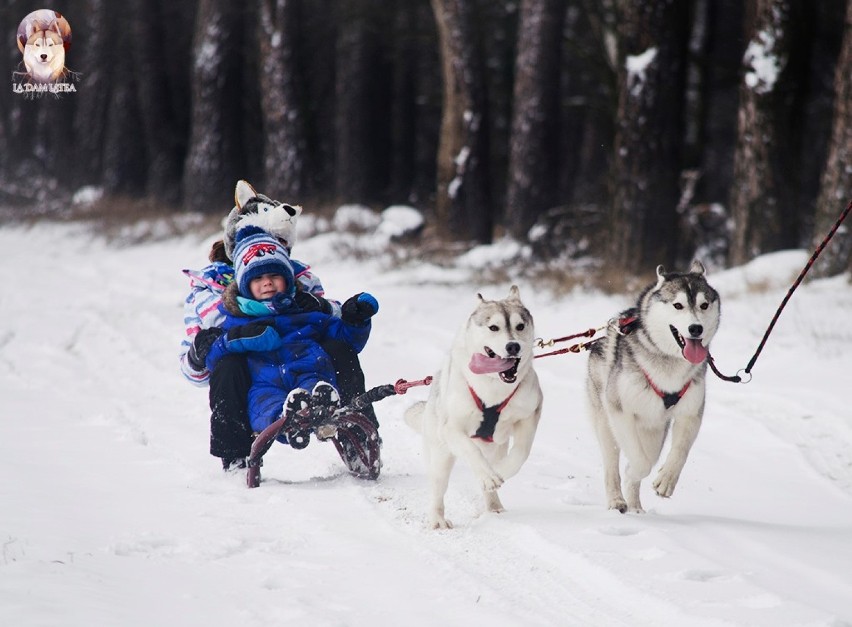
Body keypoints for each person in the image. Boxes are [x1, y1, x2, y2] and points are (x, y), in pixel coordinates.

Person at [180, 180, 372, 470]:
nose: (267, 280)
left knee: (339, 348)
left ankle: (356, 437)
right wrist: (204, 349)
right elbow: (198, 363)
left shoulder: (296, 279)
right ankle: (234, 452)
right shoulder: (212, 289)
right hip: (254, 371)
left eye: (280, 244)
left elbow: (329, 324)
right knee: (229, 368)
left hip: (301, 362)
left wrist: (333, 310)